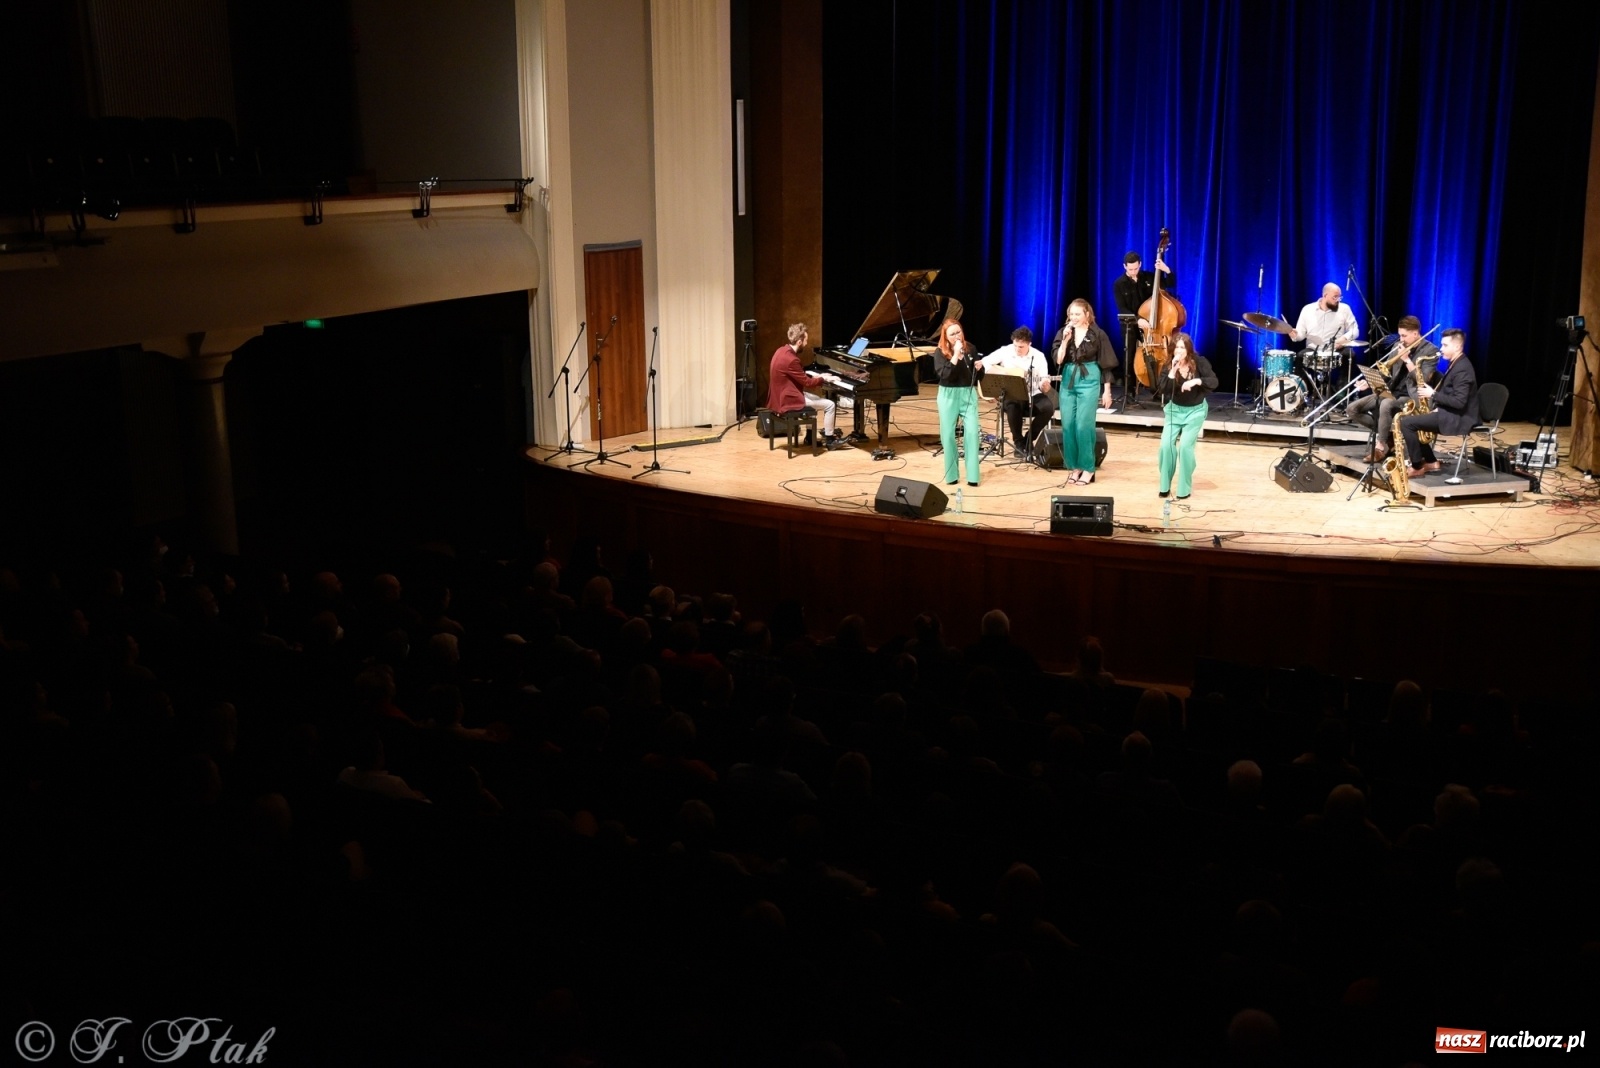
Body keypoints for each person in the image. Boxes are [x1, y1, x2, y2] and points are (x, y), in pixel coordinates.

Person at [1347, 315, 1438, 464]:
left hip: (1411, 396)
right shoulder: (1399, 346)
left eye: (1404, 335)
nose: (1401, 339)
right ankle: (1390, 436)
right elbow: (1386, 372)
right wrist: (1368, 383)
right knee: (1352, 409)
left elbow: (1423, 380)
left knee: (1386, 404)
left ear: (1415, 333)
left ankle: (1381, 447)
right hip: (1391, 390)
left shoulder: (1431, 351)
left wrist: (1407, 360)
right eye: (1400, 335)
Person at [1396, 328, 1479, 477]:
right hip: (1450, 412)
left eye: (1445, 345)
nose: (1441, 349)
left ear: (1457, 347)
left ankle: (1416, 465)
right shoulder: (1456, 363)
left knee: (1407, 423)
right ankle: (1431, 461)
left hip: (1460, 418)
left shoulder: (1463, 369)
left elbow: (1459, 402)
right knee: (1414, 422)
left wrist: (1433, 394)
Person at [1054, 299, 1117, 485]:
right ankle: (1074, 467)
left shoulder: (1098, 334)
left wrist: (1107, 392)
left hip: (1089, 377)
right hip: (1068, 378)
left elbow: (1106, 364)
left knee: (1083, 425)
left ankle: (1088, 468)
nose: (1073, 318)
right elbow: (1058, 360)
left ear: (1087, 314)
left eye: (1077, 314)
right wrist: (1065, 341)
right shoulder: (1064, 332)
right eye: (1071, 314)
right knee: (1068, 425)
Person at [1156, 332, 1217, 500]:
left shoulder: (1199, 362)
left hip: (1195, 411)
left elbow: (1213, 381)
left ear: (1188, 349)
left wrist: (1196, 381)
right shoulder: (1168, 365)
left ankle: (1184, 488)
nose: (1179, 350)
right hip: (1175, 411)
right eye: (1176, 347)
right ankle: (1165, 484)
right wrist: (1172, 370)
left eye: (1182, 347)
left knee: (1184, 447)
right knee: (1165, 446)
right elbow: (1162, 389)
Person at [767, 322, 843, 449]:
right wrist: (823, 378)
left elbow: (798, 375)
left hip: (779, 396)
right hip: (788, 400)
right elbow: (808, 383)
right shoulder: (792, 359)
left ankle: (809, 437)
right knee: (830, 405)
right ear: (799, 342)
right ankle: (830, 440)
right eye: (806, 340)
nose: (807, 344)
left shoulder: (781, 351)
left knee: (815, 399)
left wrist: (817, 376)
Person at [981, 326, 1054, 457]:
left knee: (1048, 408)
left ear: (1029, 344)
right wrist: (994, 381)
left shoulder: (1038, 356)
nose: (1017, 349)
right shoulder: (1006, 351)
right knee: (1013, 404)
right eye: (1015, 346)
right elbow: (985, 362)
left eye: (1021, 347)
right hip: (1012, 394)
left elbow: (1043, 379)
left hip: (1033, 393)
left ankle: (1028, 439)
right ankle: (1018, 442)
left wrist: (1045, 385)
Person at [933, 318, 984, 486]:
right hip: (948, 395)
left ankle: (973, 477)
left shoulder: (971, 348)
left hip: (967, 394)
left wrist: (979, 368)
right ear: (946, 337)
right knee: (948, 436)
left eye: (958, 332)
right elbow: (945, 375)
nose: (957, 336)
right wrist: (955, 355)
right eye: (952, 334)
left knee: (971, 433)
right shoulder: (940, 352)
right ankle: (952, 475)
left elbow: (977, 377)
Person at [1289, 283, 1360, 360]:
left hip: (1337, 349)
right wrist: (1294, 335)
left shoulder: (1344, 309)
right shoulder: (1307, 309)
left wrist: (1344, 339)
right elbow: (1300, 335)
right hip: (1313, 349)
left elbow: (1355, 330)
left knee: (1349, 355)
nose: (1338, 300)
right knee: (1300, 357)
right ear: (1325, 296)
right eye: (1335, 297)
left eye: (1339, 297)